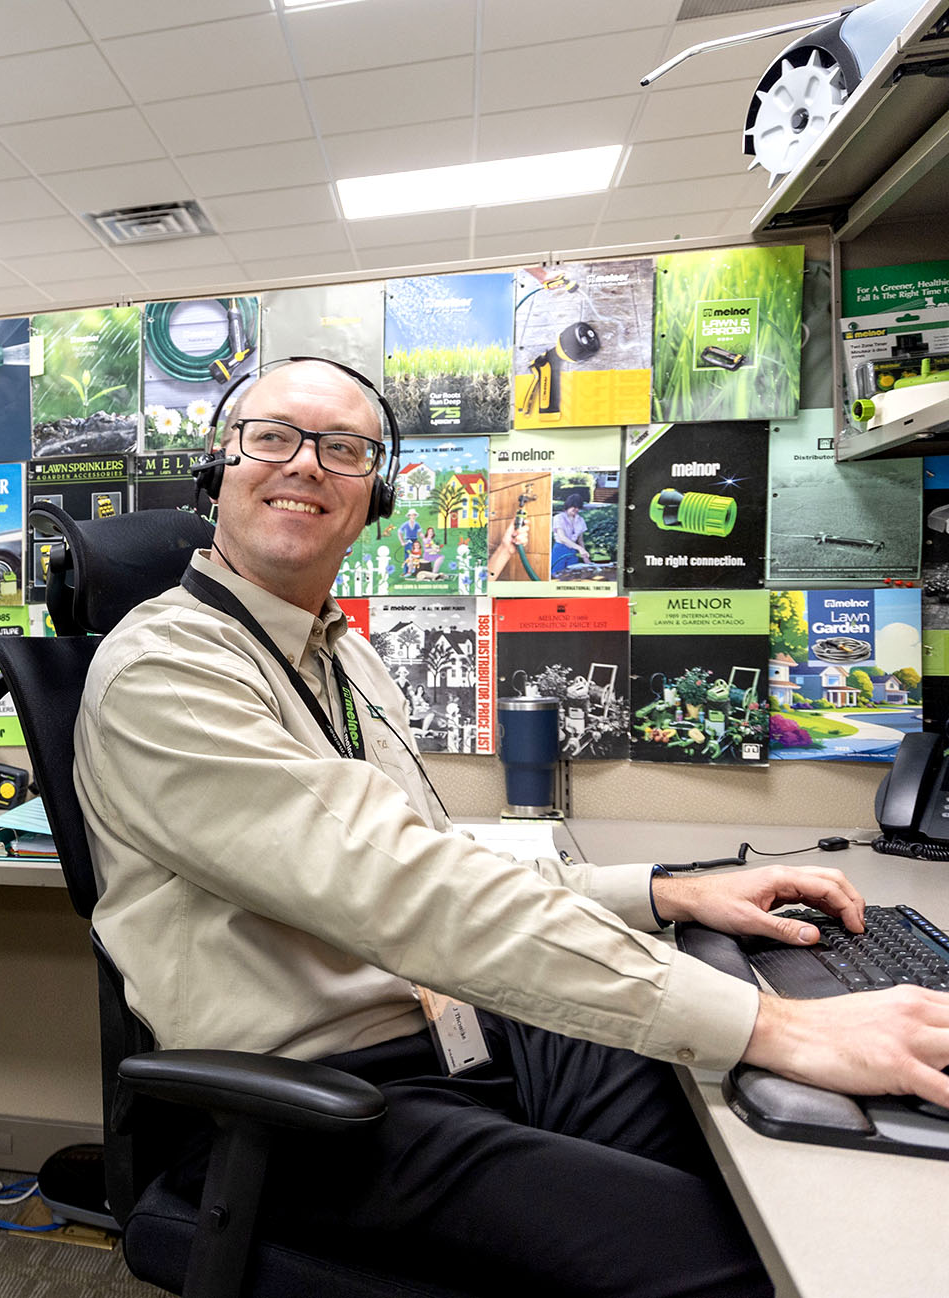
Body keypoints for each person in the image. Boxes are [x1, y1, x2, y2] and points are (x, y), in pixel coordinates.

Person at [73, 359, 949, 1297]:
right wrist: (768, 1023)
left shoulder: (346, 652)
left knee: (799, 1158)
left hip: (463, 1033)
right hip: (328, 1109)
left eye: (344, 449)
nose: (305, 466)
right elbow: (405, 893)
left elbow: (436, 862)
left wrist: (663, 894)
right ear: (219, 466)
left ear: (381, 492)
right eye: (272, 437)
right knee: (752, 1264)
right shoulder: (164, 671)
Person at [552, 492, 592, 576]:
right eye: (574, 506)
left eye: (578, 507)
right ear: (568, 505)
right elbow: (562, 538)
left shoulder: (580, 520)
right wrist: (580, 549)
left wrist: (585, 558)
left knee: (572, 575)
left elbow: (580, 541)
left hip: (573, 551)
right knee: (557, 575)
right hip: (560, 549)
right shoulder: (558, 518)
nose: (576, 509)